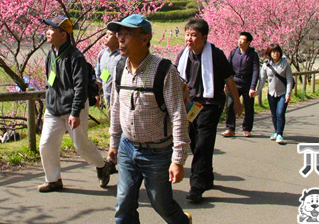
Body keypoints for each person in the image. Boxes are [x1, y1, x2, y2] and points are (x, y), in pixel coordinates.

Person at [108, 14, 192, 224]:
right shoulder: (119, 68)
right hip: (127, 148)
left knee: (161, 203)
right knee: (123, 206)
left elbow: (178, 116)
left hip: (157, 152)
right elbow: (116, 108)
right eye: (119, 34)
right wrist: (114, 142)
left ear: (144, 39)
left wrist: (178, 160)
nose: (120, 39)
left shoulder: (164, 71)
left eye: (127, 34)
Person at [38, 15, 113, 192]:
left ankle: (102, 165)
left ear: (64, 34)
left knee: (80, 145)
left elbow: (80, 87)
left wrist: (75, 111)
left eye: (52, 30)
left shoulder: (75, 57)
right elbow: (50, 81)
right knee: (46, 144)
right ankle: (53, 179)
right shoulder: (51, 54)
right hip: (53, 108)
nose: (48, 32)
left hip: (73, 108)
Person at [176, 17, 244, 203]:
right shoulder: (183, 55)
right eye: (187, 34)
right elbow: (175, 80)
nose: (189, 39)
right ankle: (207, 177)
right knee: (195, 143)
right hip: (189, 106)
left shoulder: (216, 55)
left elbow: (229, 80)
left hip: (209, 105)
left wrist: (237, 103)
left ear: (204, 37)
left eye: (194, 35)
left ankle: (196, 186)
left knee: (203, 145)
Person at [222, 32, 260, 137]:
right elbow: (228, 68)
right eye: (239, 39)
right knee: (229, 105)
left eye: (242, 39)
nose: (239, 41)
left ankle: (247, 128)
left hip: (247, 84)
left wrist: (253, 87)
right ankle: (230, 128)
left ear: (248, 42)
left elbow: (256, 71)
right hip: (234, 83)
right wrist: (226, 83)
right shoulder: (234, 53)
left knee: (248, 107)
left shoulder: (253, 55)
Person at [256, 44, 294, 145]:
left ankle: (280, 134)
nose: (275, 54)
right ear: (269, 53)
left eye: (277, 52)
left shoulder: (285, 64)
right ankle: (276, 131)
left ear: (280, 53)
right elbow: (262, 79)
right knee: (273, 114)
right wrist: (258, 91)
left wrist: (288, 94)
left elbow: (290, 80)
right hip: (271, 93)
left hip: (283, 93)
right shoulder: (266, 65)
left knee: (280, 113)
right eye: (273, 52)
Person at [95, 29, 122, 108]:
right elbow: (100, 78)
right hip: (107, 101)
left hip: (120, 103)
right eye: (106, 34)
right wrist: (97, 95)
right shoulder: (102, 54)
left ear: (118, 38)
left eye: (110, 34)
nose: (106, 36)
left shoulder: (123, 56)